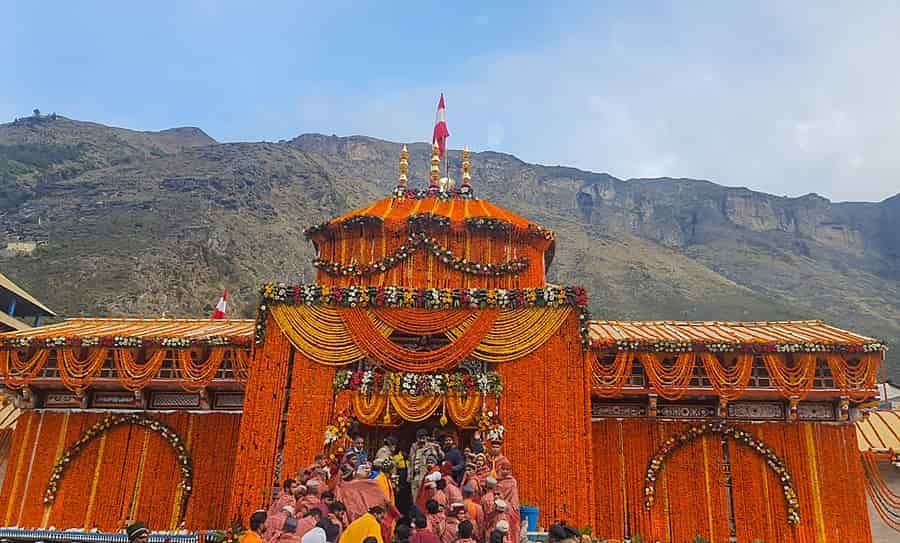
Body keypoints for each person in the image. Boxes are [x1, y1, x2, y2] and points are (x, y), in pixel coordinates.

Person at [409, 429, 440, 500]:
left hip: (425, 474)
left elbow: (438, 458)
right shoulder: (413, 447)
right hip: (415, 475)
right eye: (420, 437)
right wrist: (409, 475)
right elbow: (410, 461)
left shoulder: (430, 447)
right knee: (414, 496)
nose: (422, 439)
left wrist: (438, 449)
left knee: (423, 496)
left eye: (424, 437)